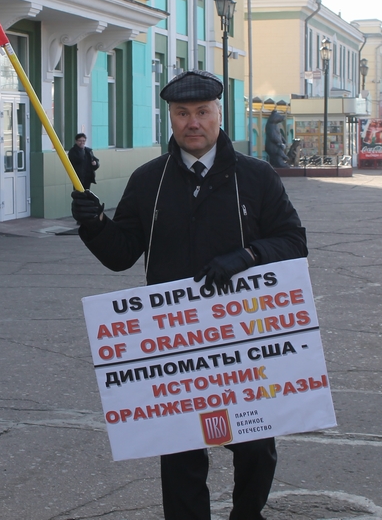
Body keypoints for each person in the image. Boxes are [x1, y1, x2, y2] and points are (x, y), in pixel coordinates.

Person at [70, 70, 308, 520]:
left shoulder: (255, 177)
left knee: (255, 447)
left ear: (219, 114)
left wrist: (247, 255)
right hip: (175, 344)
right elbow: (121, 254)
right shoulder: (149, 180)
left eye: (202, 112)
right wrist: (94, 225)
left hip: (244, 340)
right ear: (171, 119)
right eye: (182, 113)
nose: (192, 122)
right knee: (180, 455)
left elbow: (293, 242)